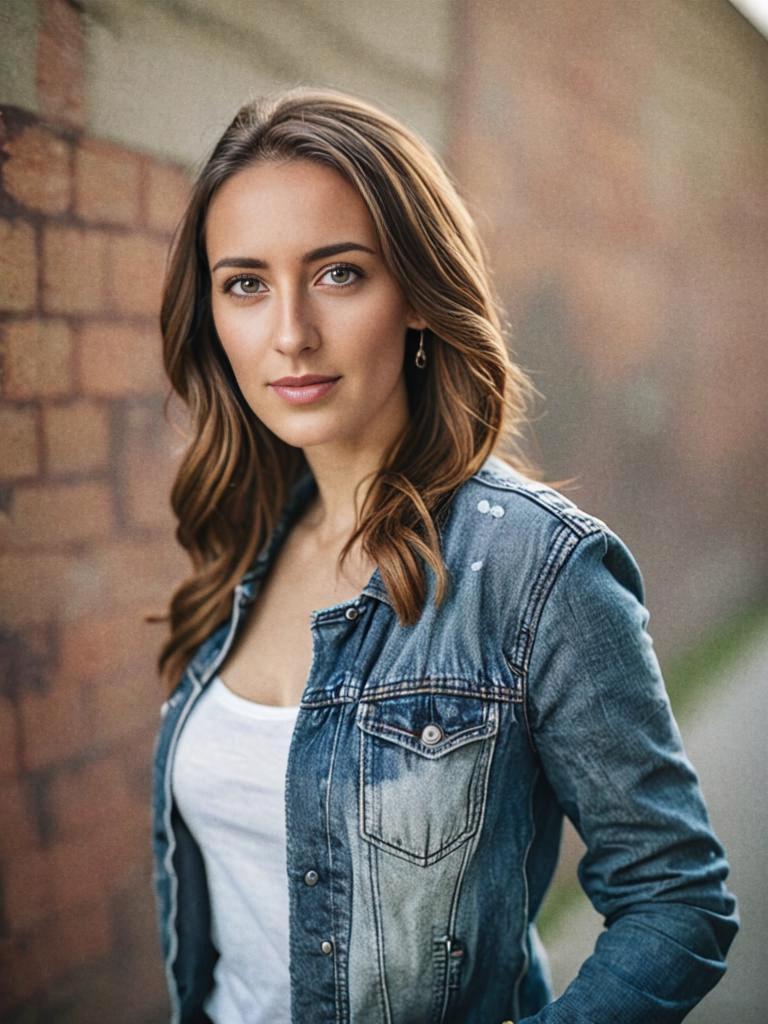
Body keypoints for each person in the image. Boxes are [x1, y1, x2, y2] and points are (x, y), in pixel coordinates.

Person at [151, 87, 738, 1024]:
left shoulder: (537, 569)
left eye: (339, 274)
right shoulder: (242, 538)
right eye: (246, 283)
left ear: (420, 295)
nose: (290, 332)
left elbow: (677, 899)